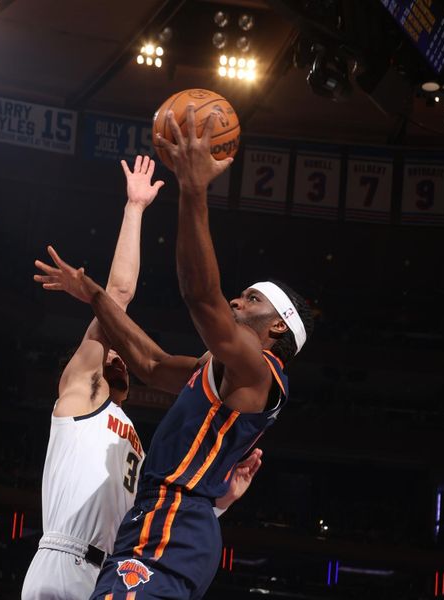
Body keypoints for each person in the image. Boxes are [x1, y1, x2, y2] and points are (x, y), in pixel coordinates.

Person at [34, 107, 314, 599]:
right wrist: (96, 294)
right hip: (149, 530)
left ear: (276, 328)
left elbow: (202, 299)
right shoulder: (218, 370)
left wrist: (193, 188)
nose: (235, 300)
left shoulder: (257, 369)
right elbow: (150, 363)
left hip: (165, 532)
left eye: (251, 299)